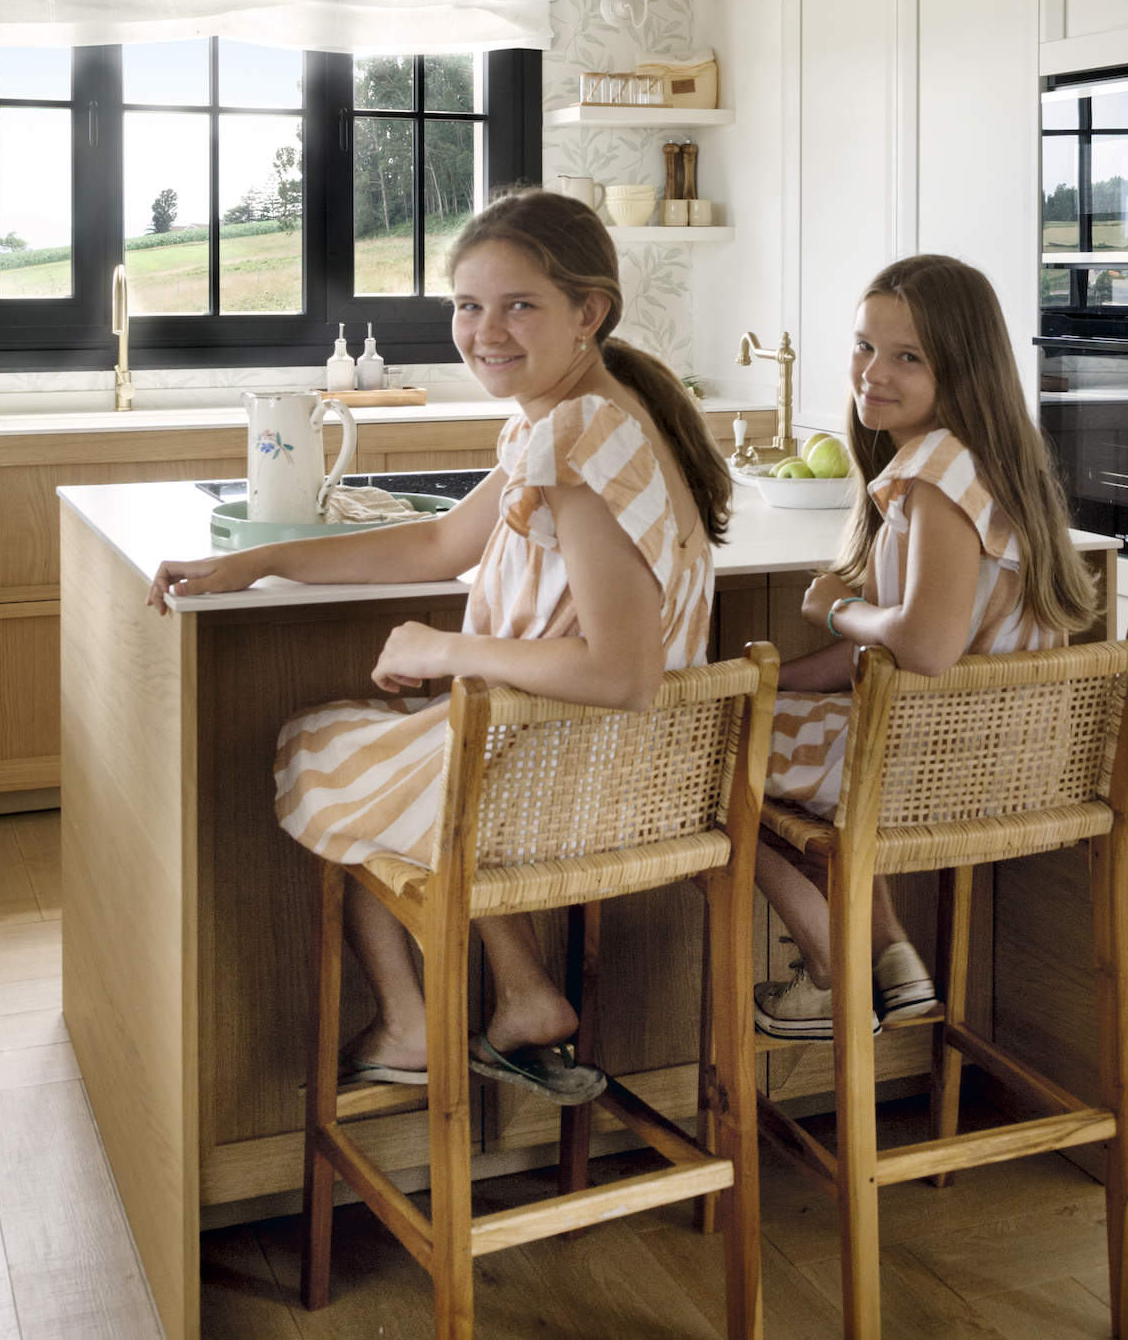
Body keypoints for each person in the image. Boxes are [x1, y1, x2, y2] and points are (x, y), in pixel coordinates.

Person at [148, 189, 731, 1106]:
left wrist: (442, 648)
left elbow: (621, 673)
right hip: (612, 774)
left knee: (316, 747)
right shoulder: (574, 418)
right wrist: (257, 561)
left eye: (518, 305)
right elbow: (434, 546)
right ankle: (524, 999)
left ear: (589, 312)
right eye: (468, 305)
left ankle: (416, 1025)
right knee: (380, 748)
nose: (485, 330)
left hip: (559, 776)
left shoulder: (576, 441)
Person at [755, 253, 1098, 1039]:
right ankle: (890, 962)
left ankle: (832, 968)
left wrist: (837, 609)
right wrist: (771, 684)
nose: (872, 372)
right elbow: (896, 655)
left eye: (907, 356)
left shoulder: (936, 477)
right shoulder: (989, 464)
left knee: (709, 759)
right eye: (863, 346)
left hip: (929, 768)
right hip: (998, 759)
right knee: (768, 731)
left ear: (962, 367)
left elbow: (924, 645)